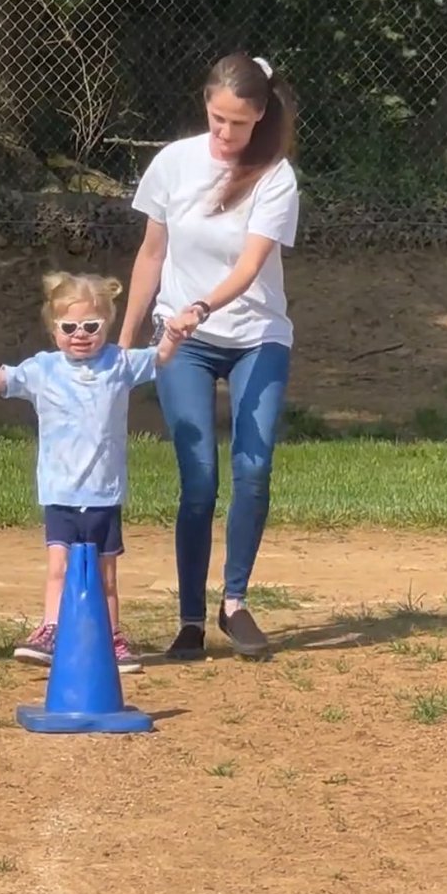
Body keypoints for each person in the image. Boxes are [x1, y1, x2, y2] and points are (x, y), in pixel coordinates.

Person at [118, 52, 299, 662]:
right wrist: (125, 343)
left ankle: (236, 603)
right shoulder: (173, 162)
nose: (226, 135)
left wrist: (200, 305)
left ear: (261, 119)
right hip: (182, 341)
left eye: (240, 125)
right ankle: (190, 620)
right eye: (218, 120)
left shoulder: (275, 176)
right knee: (198, 480)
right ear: (205, 106)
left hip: (257, 336)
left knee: (253, 465)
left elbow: (249, 268)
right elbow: (150, 254)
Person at [0, 271, 199, 674]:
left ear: (106, 324)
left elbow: (158, 357)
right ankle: (50, 630)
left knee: (106, 576)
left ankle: (112, 639)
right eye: (70, 327)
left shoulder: (119, 363)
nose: (81, 334)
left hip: (104, 493)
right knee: (59, 568)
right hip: (60, 492)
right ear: (54, 329)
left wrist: (174, 333)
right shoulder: (42, 369)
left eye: (91, 325)